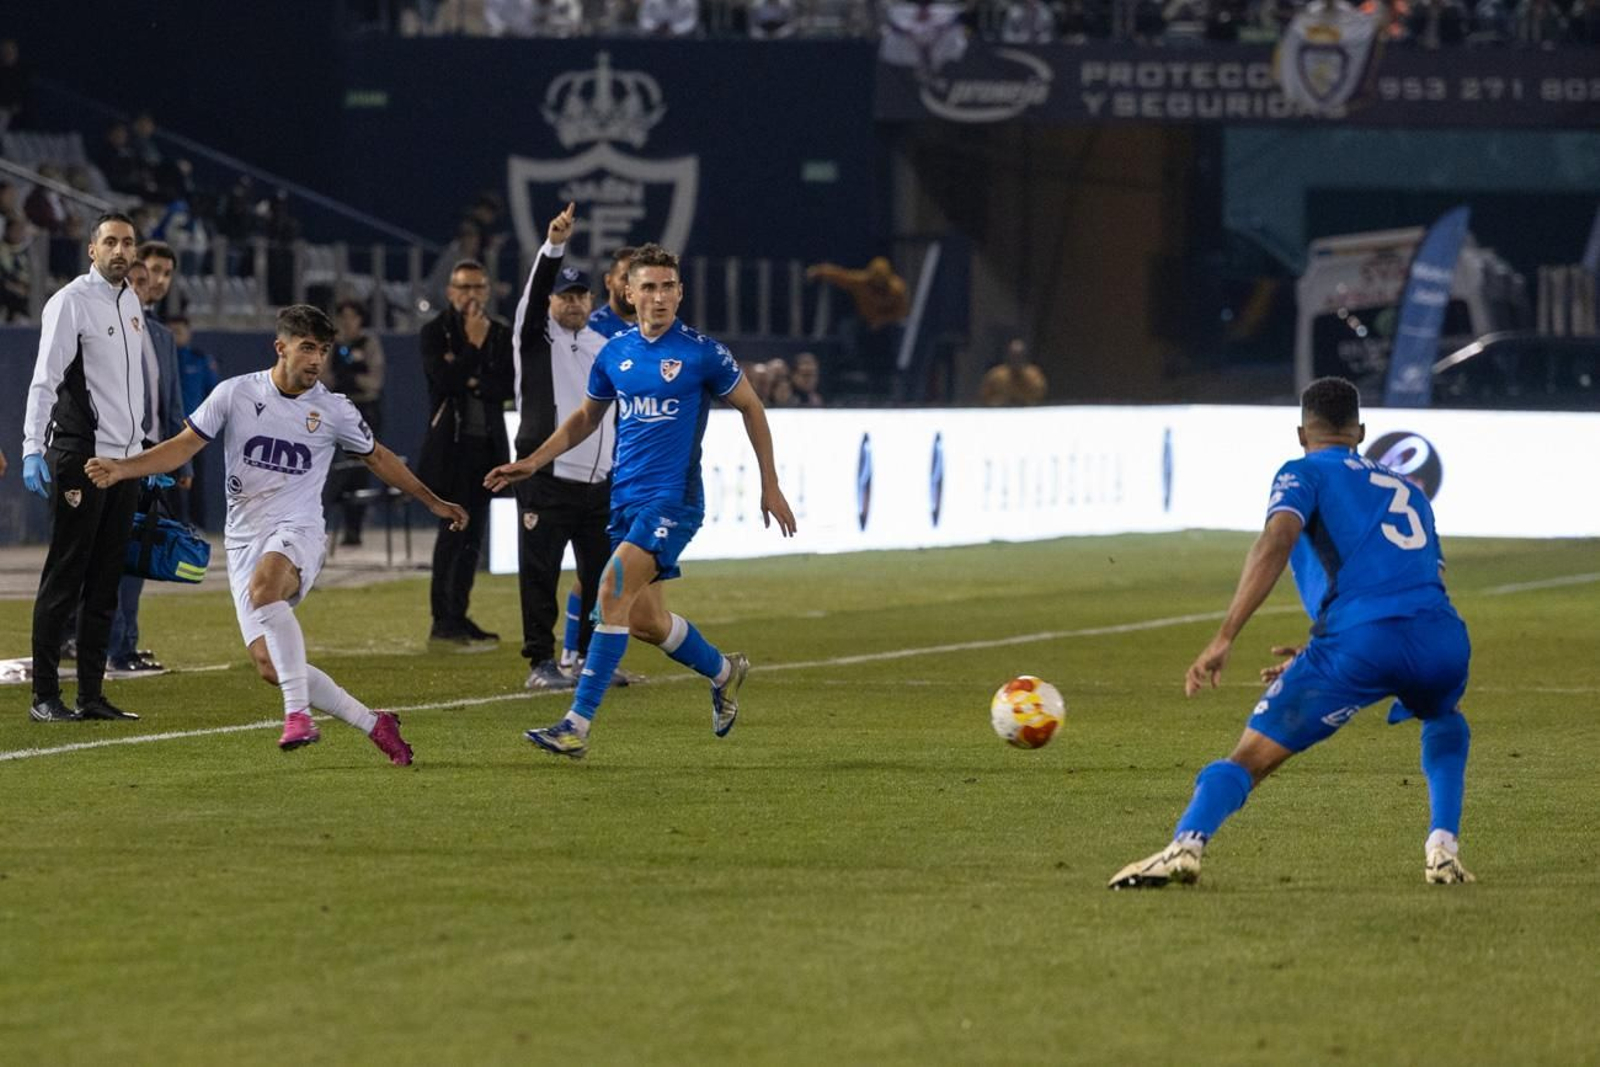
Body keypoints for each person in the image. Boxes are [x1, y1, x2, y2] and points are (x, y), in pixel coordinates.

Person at [1109, 377, 1475, 890]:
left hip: (1358, 644)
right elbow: (1420, 582)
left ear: (1302, 433)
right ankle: (1443, 848)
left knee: (1248, 758)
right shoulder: (1410, 493)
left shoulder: (1302, 471)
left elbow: (1276, 539)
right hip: (1442, 640)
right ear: (1362, 432)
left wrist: (1225, 635)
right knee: (1442, 715)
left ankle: (1185, 846)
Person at [85, 305, 469, 763]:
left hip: (299, 531)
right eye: (307, 347)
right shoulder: (235, 394)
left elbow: (380, 458)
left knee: (266, 589)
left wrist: (433, 501)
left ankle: (297, 716)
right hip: (245, 539)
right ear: (280, 347)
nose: (316, 360)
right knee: (271, 665)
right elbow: (182, 447)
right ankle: (374, 723)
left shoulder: (332, 409)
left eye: (323, 350)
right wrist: (122, 469)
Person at [486, 241, 798, 760]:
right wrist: (534, 461)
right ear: (627, 293)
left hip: (672, 500)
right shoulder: (615, 354)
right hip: (624, 498)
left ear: (680, 293)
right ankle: (725, 671)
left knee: (608, 590)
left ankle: (576, 726)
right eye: (648, 287)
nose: (658, 297)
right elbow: (587, 418)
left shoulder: (702, 352)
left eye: (668, 287)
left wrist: (770, 483)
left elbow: (752, 407)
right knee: (645, 622)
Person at [21, 212, 149, 722]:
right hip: (82, 456)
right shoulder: (71, 302)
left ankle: (91, 695)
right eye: (111, 242)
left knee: (105, 581)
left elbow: (131, 390)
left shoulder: (131, 301)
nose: (121, 250)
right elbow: (43, 380)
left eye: (128, 243)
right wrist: (33, 445)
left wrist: (142, 454)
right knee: (65, 577)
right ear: (91, 250)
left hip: (122, 464)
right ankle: (44, 696)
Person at [509, 204, 618, 690]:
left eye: (578, 295)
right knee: (540, 574)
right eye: (563, 296)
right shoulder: (535, 338)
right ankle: (541, 662)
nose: (571, 303)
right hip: (547, 478)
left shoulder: (603, 345)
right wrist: (553, 245)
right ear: (550, 302)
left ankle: (589, 662)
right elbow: (532, 298)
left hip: (597, 484)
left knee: (601, 579)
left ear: (591, 300)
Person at [99, 245, 191, 675]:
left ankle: (125, 644)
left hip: (152, 455)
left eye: (158, 275)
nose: (150, 283)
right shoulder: (107, 329)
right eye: (142, 276)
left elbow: (170, 404)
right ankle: (110, 646)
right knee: (114, 554)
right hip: (115, 451)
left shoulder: (159, 335)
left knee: (136, 553)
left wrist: (181, 461)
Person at [419, 258, 514, 645]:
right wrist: (473, 350)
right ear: (450, 292)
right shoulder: (434, 332)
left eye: (477, 287)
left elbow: (506, 386)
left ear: (487, 291)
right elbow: (444, 381)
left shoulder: (502, 333)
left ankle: (459, 613)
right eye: (463, 288)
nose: (470, 295)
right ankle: (442, 619)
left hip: (487, 448)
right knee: (452, 534)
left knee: (475, 538)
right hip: (450, 449)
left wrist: (468, 375)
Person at [321, 299, 386, 546]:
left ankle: (354, 528)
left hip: (363, 409)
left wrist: (353, 378)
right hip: (336, 407)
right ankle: (324, 522)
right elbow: (324, 377)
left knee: (359, 469)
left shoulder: (368, 344)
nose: (346, 322)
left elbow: (375, 381)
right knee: (332, 468)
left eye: (351, 316)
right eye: (342, 317)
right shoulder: (332, 346)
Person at [170, 314, 220, 526]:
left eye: (179, 331)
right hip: (167, 431)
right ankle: (171, 525)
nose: (175, 336)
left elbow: (214, 393)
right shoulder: (161, 359)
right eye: (170, 332)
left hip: (193, 431)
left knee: (195, 480)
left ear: (188, 333)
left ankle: (198, 527)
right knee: (167, 482)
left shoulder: (200, 360)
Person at [980, 337, 1048, 406]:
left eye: (1019, 356)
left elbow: (1039, 397)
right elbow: (985, 397)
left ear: (1024, 357)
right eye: (1013, 356)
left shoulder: (1034, 376)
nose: (1016, 360)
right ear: (1008, 356)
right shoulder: (995, 375)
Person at [587, 245, 637, 339]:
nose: (632, 285)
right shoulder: (590, 328)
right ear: (608, 281)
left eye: (638, 279)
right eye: (625, 278)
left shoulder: (656, 329)